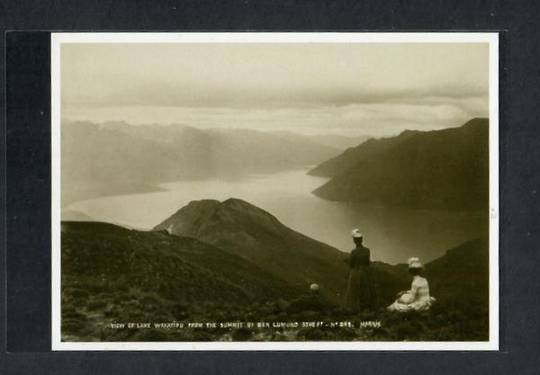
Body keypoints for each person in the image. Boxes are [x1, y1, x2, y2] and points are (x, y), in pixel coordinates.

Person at [344, 229, 378, 311]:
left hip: (355, 273)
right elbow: (367, 262)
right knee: (365, 291)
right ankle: (366, 308)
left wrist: (347, 261)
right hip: (365, 272)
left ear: (354, 241)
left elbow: (351, 264)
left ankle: (354, 309)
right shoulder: (367, 250)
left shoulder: (353, 252)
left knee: (354, 292)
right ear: (361, 240)